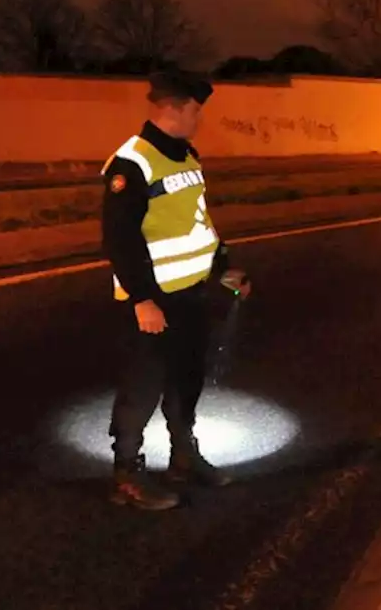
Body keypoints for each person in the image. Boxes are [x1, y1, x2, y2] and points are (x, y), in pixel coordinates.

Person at [100, 70, 251, 510]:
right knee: (143, 386)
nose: (199, 119)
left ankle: (183, 456)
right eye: (196, 110)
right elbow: (119, 239)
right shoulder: (132, 163)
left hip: (192, 294)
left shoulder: (186, 156)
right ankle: (126, 474)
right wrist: (143, 300)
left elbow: (197, 220)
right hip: (154, 300)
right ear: (176, 108)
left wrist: (224, 265)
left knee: (187, 378)